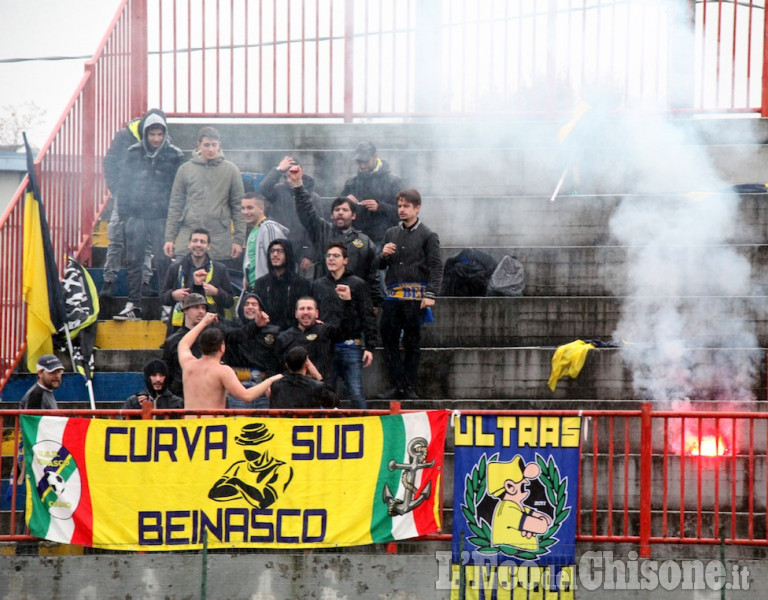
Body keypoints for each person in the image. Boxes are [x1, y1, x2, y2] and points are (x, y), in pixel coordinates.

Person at [114, 108, 185, 321]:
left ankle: (167, 306)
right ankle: (133, 304)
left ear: (165, 134)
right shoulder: (132, 153)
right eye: (152, 134)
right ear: (145, 133)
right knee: (133, 261)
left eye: (159, 134)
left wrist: (175, 218)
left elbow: (178, 190)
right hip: (136, 216)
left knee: (163, 260)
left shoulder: (175, 155)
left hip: (162, 217)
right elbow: (124, 185)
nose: (156, 138)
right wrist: (124, 215)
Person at [377, 188, 443, 400]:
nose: (402, 210)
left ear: (417, 208)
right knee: (389, 341)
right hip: (393, 297)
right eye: (399, 206)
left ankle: (408, 386)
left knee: (412, 343)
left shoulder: (428, 235)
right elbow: (379, 265)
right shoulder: (390, 234)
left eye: (406, 206)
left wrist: (431, 293)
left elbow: (436, 266)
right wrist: (383, 255)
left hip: (415, 298)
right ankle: (398, 385)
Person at [288, 165, 383, 307]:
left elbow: (372, 275)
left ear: (353, 215)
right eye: (337, 209)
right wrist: (297, 185)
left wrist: (375, 303)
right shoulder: (322, 230)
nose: (340, 212)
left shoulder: (364, 242)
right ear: (331, 215)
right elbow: (307, 212)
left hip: (354, 304)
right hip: (326, 301)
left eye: (345, 210)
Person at [164, 126, 246, 264]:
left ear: (219, 145)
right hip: (189, 236)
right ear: (198, 145)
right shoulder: (185, 170)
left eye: (214, 145)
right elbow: (175, 206)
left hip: (218, 239)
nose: (210, 149)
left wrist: (238, 240)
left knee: (216, 283)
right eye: (206, 145)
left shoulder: (231, 171)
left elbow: (239, 207)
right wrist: (169, 238)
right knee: (182, 280)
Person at [311, 242, 378, 409]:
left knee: (355, 393)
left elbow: (367, 316)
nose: (331, 259)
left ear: (346, 260)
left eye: (336, 256)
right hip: (325, 346)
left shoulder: (357, 284)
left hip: (351, 345)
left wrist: (370, 346)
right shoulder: (318, 285)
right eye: (328, 256)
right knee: (325, 392)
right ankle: (325, 429)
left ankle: (363, 428)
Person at [178, 312, 283, 412]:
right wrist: (271, 380)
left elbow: (183, 344)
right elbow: (247, 396)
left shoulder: (188, 364)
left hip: (189, 427)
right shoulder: (223, 371)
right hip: (214, 427)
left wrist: (203, 322)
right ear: (222, 348)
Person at [100, 115, 154, 299]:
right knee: (116, 238)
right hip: (124, 196)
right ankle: (109, 281)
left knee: (146, 242)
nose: (155, 136)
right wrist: (115, 188)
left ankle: (145, 282)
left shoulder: (162, 139)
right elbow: (109, 161)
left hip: (148, 200)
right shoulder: (124, 136)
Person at [160, 227, 235, 330]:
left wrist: (217, 292)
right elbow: (163, 297)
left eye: (202, 242)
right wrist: (173, 295)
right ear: (189, 244)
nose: (198, 245)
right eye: (195, 241)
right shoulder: (175, 268)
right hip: (180, 327)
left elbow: (230, 302)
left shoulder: (220, 269)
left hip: (211, 327)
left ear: (208, 246)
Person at [258, 156, 318, 276]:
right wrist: (278, 169)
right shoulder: (277, 191)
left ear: (301, 172)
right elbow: (263, 189)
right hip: (277, 249)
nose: (289, 180)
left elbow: (315, 228)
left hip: (300, 252)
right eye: (285, 177)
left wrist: (309, 254)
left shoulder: (313, 197)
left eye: (291, 175)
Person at [222, 292, 282, 409]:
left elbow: (273, 360)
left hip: (263, 390)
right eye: (247, 304)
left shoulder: (272, 331)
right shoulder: (232, 327)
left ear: (261, 308)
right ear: (241, 308)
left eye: (254, 304)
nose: (250, 307)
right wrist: (255, 325)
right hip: (237, 390)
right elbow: (234, 337)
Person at [340, 141, 403, 247]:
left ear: (375, 156)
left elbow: (402, 213)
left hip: (383, 239)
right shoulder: (352, 182)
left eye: (365, 161)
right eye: (359, 162)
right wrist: (345, 203)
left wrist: (380, 207)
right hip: (357, 239)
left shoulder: (393, 181)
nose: (362, 166)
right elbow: (336, 212)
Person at [276, 295, 351, 383]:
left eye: (309, 308)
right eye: (302, 309)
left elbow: (346, 331)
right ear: (296, 314)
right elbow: (274, 365)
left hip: (322, 387)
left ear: (317, 313)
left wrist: (347, 303)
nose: (305, 312)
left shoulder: (326, 331)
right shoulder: (284, 337)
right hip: (294, 389)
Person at [252, 239, 311, 331]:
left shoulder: (301, 283)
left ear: (288, 254)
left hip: (293, 335)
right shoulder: (261, 283)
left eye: (280, 251)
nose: (275, 255)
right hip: (266, 334)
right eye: (272, 251)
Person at [160, 293, 209, 397]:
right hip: (179, 396)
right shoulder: (172, 340)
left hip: (205, 394)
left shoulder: (210, 338)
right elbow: (166, 372)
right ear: (185, 310)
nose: (201, 311)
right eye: (196, 307)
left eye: (203, 308)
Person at [241, 192, 289, 291]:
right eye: (243, 208)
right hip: (255, 289)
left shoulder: (269, 229)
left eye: (250, 208)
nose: (245, 212)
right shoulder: (254, 230)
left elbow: (277, 262)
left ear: (261, 209)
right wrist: (247, 276)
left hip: (268, 290)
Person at [270, 346, 337, 409]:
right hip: (308, 421)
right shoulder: (316, 386)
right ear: (306, 365)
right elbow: (333, 403)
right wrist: (318, 377)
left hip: (283, 421)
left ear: (287, 365)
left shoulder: (276, 386)